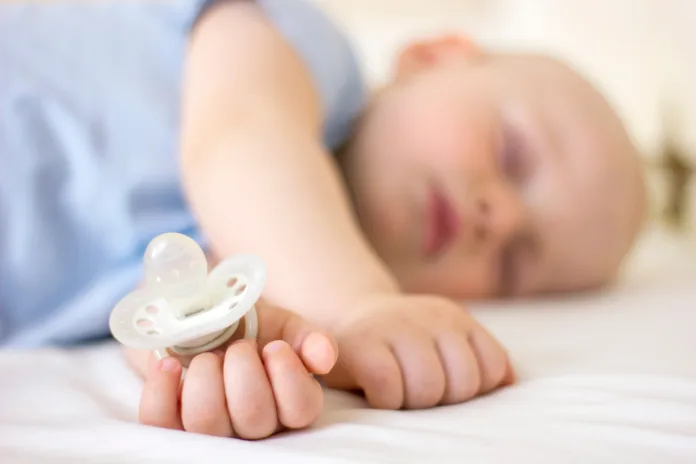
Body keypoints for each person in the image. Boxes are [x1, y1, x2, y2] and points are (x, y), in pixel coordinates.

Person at [0, 0, 646, 440]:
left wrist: (219, 357)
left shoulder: (278, 274)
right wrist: (359, 306)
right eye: (514, 156)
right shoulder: (303, 48)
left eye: (514, 262)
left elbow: (160, 308)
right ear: (434, 55)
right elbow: (244, 140)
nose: (498, 218)